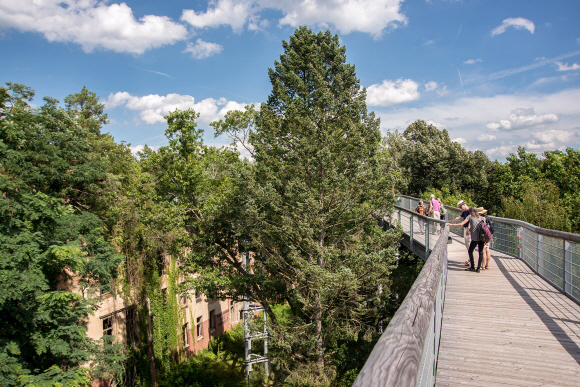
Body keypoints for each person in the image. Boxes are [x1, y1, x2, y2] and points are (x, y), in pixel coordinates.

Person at [449, 206, 486, 272]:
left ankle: (472, 267)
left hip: (475, 238)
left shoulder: (470, 216)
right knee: (480, 252)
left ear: (470, 212)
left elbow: (462, 224)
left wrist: (452, 225)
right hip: (482, 237)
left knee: (470, 251)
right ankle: (478, 268)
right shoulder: (481, 217)